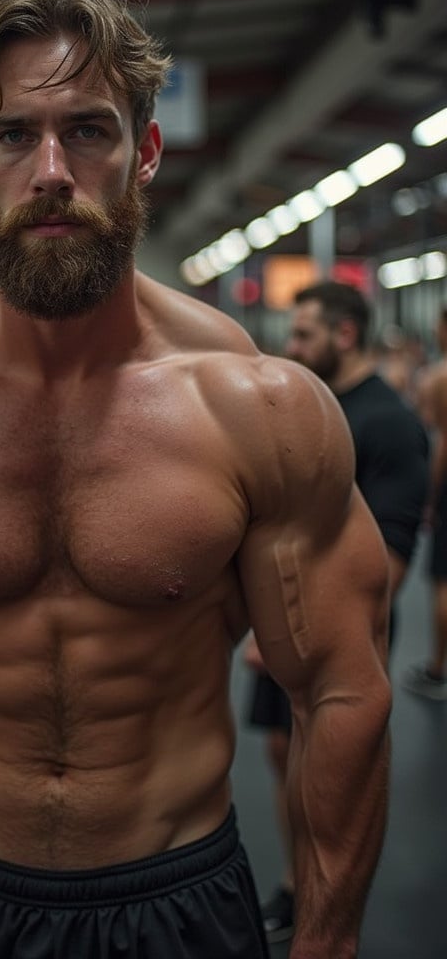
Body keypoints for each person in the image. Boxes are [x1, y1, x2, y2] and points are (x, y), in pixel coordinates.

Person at [0, 0, 392, 959]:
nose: (50, 169)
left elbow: (341, 690)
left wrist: (329, 938)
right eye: (13, 134)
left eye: (87, 130)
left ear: (143, 152)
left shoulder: (260, 410)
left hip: (179, 893)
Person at [246, 280, 429, 943]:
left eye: (303, 336)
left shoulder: (388, 422)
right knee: (279, 750)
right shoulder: (306, 410)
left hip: (341, 632)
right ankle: (297, 885)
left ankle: (327, 914)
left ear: (344, 335)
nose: (290, 348)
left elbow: (393, 551)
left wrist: (309, 631)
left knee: (333, 772)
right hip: (283, 623)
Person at [402, 305, 447, 700]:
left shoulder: (438, 377)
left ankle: (438, 669)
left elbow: (441, 443)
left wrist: (430, 500)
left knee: (443, 580)